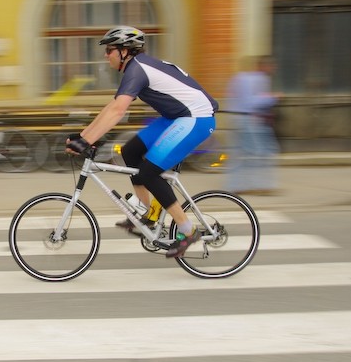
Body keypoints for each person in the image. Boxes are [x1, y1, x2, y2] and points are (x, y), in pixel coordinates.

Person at [65, 26, 219, 258]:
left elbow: (118, 111)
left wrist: (87, 140)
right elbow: (113, 106)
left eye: (109, 50)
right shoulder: (136, 68)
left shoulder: (138, 70)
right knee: (131, 151)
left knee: (149, 173)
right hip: (175, 117)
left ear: (125, 51)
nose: (106, 55)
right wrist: (84, 135)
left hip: (195, 119)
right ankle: (148, 213)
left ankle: (188, 231)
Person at [224, 55, 281, 195]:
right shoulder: (260, 79)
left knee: (239, 154)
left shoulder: (237, 78)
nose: (274, 69)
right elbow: (252, 102)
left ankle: (236, 186)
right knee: (262, 153)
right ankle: (262, 185)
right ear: (264, 66)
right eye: (272, 66)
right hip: (251, 120)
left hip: (237, 118)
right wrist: (273, 98)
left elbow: (232, 98)